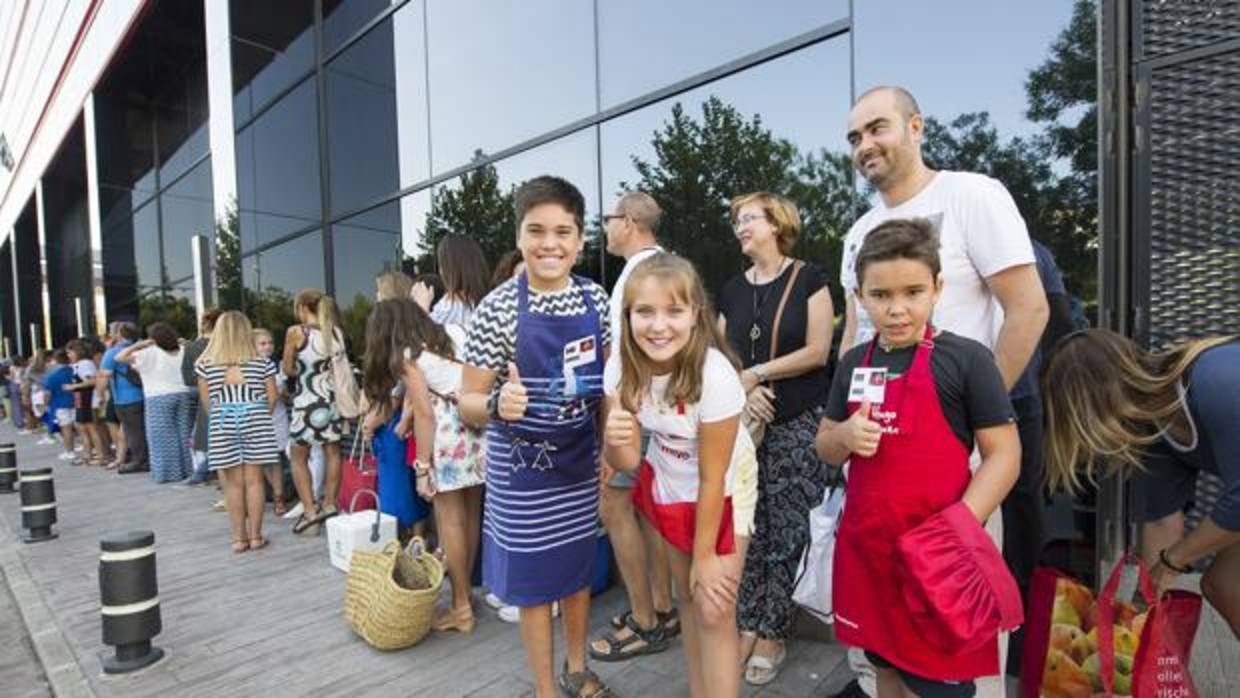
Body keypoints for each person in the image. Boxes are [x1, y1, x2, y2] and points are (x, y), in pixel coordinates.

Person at [836, 86, 1048, 697]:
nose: (865, 144)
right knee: (883, 650)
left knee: (959, 633)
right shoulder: (858, 231)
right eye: (854, 137)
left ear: (916, 126)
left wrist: (974, 421)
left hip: (956, 467)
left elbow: (1028, 309)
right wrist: (844, 436)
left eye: (877, 127)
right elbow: (854, 337)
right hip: (875, 472)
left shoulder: (972, 195)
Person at [817, 218, 1020, 698]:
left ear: (937, 289)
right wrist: (844, 435)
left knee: (943, 687)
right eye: (880, 295)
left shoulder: (968, 360)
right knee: (883, 668)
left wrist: (958, 528)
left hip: (938, 563)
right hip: (870, 553)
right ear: (860, 297)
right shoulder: (853, 363)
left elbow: (1005, 454)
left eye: (913, 292)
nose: (897, 309)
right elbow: (824, 444)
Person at [459, 175, 615, 698]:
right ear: (519, 235)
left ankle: (577, 668)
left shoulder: (596, 300)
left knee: (577, 570)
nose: (550, 244)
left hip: (580, 461)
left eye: (562, 232)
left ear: (580, 238)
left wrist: (609, 447)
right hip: (523, 472)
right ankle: (546, 689)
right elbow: (467, 401)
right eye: (537, 231)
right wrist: (496, 404)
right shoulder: (498, 308)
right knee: (534, 587)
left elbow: (608, 386)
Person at [606, 252, 750, 697]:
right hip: (667, 476)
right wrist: (614, 437)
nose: (658, 325)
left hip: (725, 484)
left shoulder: (715, 375)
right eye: (644, 311)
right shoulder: (620, 368)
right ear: (627, 316)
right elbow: (627, 462)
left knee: (714, 606)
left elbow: (713, 478)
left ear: (695, 315)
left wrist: (705, 556)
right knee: (687, 597)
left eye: (673, 311)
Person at [1042, 329, 1240, 639]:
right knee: (1224, 585)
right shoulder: (1156, 431)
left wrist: (1173, 561)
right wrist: (1143, 609)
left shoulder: (1213, 380)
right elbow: (1162, 522)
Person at [716, 191, 833, 686]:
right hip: (747, 424)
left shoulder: (809, 279)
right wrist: (745, 389)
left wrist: (758, 374)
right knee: (748, 526)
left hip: (798, 420)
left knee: (787, 531)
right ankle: (748, 622)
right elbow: (721, 355)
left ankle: (774, 632)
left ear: (777, 223)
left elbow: (819, 350)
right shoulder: (731, 289)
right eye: (737, 220)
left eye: (750, 218)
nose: (740, 227)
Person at [589, 192, 679, 662]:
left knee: (614, 505)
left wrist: (614, 429)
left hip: (636, 411)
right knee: (648, 511)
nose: (603, 228)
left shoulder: (637, 276)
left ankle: (646, 620)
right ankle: (662, 607)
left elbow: (631, 359)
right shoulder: (665, 267)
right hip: (657, 411)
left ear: (627, 221)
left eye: (607, 219)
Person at [196, 311, 280, 553]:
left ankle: (238, 539)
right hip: (256, 416)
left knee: (232, 485)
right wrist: (260, 415)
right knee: (255, 481)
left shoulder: (205, 364)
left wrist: (222, 415)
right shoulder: (262, 363)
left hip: (222, 420)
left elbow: (206, 402)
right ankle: (256, 537)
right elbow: (273, 397)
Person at [359, 298, 432, 540]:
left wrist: (371, 422)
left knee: (398, 490)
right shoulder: (414, 351)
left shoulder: (399, 358)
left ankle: (407, 541)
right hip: (402, 425)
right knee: (405, 488)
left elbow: (395, 397)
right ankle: (416, 539)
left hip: (396, 427)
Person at [283, 288, 347, 535]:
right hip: (330, 402)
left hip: (306, 403)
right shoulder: (335, 332)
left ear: (302, 308)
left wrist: (302, 369)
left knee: (298, 456)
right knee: (333, 453)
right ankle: (329, 504)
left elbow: (288, 368)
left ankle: (310, 512)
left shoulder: (296, 332)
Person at [117, 323, 195, 483]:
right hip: (183, 394)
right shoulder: (183, 350)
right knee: (184, 434)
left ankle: (168, 474)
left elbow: (119, 358)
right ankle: (189, 470)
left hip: (158, 397)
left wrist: (138, 345)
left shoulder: (148, 352)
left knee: (162, 438)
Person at [183, 309, 223, 485]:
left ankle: (203, 473)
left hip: (208, 396)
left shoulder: (193, 347)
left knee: (206, 438)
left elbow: (188, 378)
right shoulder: (234, 345)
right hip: (237, 398)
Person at [254, 328, 290, 515]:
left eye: (270, 343)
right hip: (257, 416)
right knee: (261, 460)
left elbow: (279, 395)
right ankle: (263, 495)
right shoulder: (249, 366)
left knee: (275, 458)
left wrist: (282, 393)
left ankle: (279, 496)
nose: (268, 347)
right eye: (262, 343)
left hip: (276, 416)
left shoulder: (277, 365)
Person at [99, 323, 138, 470]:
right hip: (145, 393)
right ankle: (121, 457)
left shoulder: (113, 352)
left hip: (124, 397)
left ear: (118, 334)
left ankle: (132, 459)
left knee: (129, 429)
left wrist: (100, 396)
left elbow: (104, 376)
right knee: (126, 429)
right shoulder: (141, 347)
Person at [428, 235, 490, 328]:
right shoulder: (491, 305)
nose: (440, 271)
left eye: (441, 265)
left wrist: (422, 308)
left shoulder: (445, 311)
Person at [64, 339, 107, 466]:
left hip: (86, 398)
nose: (68, 356)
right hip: (79, 398)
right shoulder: (77, 365)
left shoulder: (85, 364)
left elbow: (92, 381)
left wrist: (74, 386)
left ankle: (100, 455)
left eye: (70, 352)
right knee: (82, 427)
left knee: (91, 427)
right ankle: (87, 454)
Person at [43, 350, 77, 460]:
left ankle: (69, 451)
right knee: (81, 428)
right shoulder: (73, 370)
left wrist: (45, 404)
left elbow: (47, 394)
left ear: (56, 360)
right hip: (77, 402)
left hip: (60, 405)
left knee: (66, 428)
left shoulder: (52, 376)